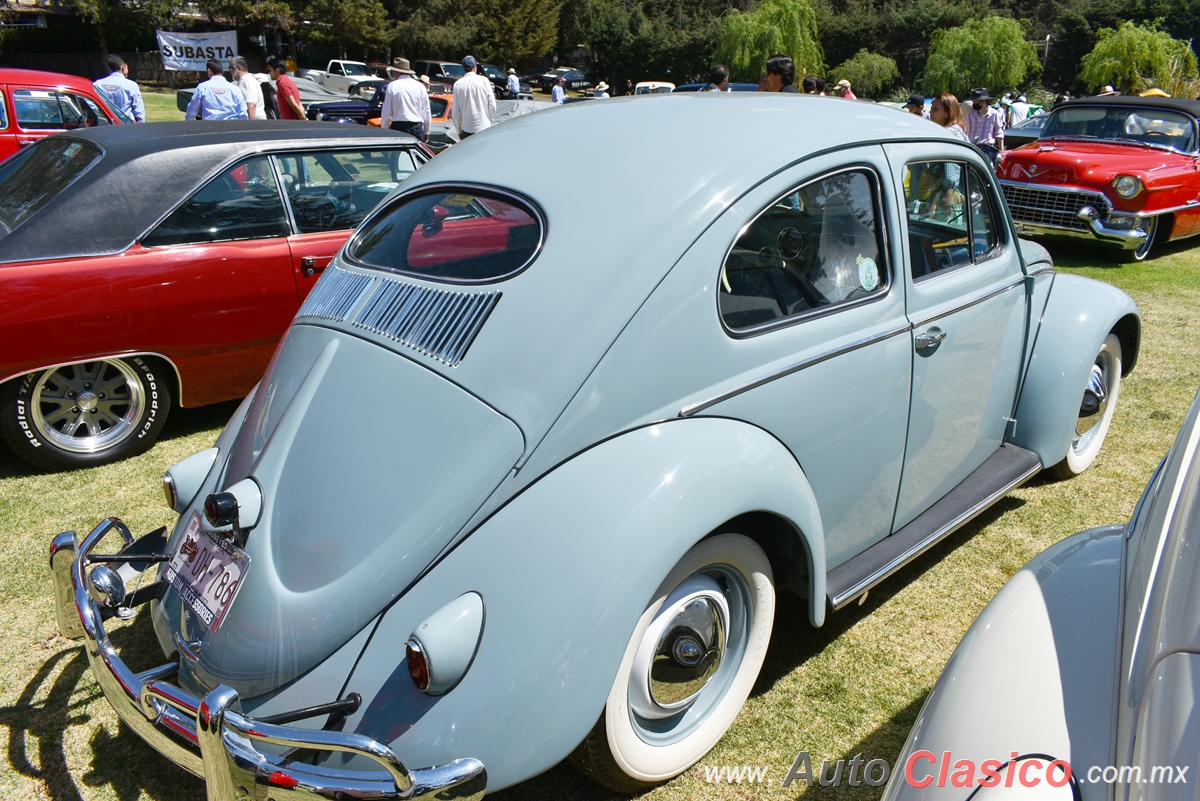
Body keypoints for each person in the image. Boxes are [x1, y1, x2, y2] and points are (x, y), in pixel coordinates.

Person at [381, 58, 431, 141]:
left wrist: (385, 129)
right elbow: (426, 111)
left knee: (396, 153)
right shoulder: (420, 86)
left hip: (398, 127)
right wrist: (426, 132)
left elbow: (386, 111)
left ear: (397, 71)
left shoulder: (392, 86)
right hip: (416, 126)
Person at [451, 55, 496, 137]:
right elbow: (492, 105)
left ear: (463, 68)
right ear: (475, 67)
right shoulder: (484, 80)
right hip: (483, 126)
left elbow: (455, 112)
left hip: (467, 128)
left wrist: (459, 130)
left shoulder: (458, 84)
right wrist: (489, 120)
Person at [93, 54, 145, 122]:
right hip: (125, 125)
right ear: (123, 67)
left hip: (105, 125)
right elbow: (139, 111)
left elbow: (92, 106)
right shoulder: (131, 85)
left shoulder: (97, 84)